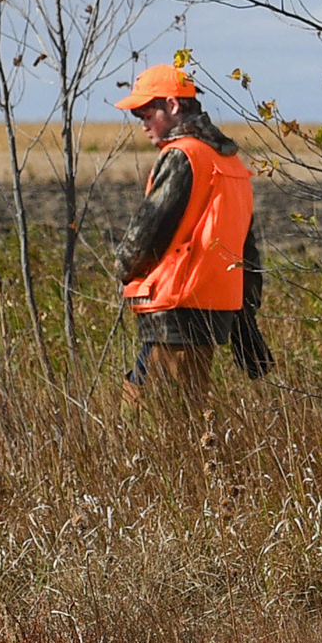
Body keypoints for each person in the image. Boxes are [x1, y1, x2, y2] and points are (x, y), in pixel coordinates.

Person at [111, 62, 270, 399]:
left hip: (177, 308)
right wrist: (244, 309)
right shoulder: (230, 162)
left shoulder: (183, 155)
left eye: (146, 113)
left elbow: (148, 232)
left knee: (159, 417)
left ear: (173, 105)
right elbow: (246, 247)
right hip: (213, 306)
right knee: (171, 408)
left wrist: (122, 267)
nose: (142, 124)